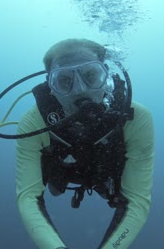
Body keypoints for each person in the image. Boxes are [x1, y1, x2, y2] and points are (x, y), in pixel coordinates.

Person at [14, 38, 155, 249]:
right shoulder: (34, 123)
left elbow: (137, 199)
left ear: (105, 75)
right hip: (64, 170)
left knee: (113, 192)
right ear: (50, 86)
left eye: (90, 75)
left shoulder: (136, 118)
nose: (79, 90)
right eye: (64, 80)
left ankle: (103, 185)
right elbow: (28, 196)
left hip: (106, 171)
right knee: (55, 188)